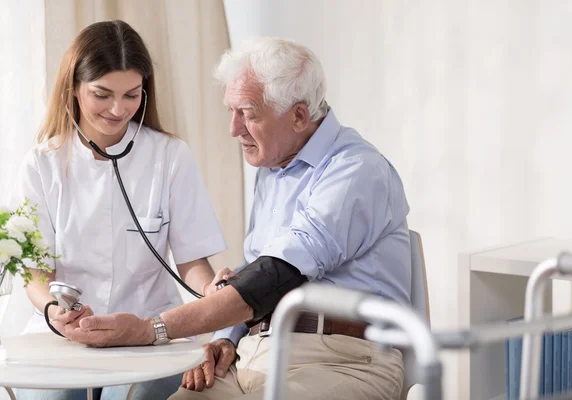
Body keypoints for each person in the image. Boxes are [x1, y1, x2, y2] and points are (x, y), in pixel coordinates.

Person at [56, 37, 411, 400]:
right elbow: (257, 271)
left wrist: (151, 329)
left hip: (341, 361)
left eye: (248, 113)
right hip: (256, 354)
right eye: (231, 111)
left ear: (299, 116)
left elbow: (274, 276)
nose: (234, 129)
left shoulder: (356, 171)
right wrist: (225, 337)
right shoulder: (274, 170)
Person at [13, 20, 227, 400]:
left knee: (130, 396)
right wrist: (52, 311)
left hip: (148, 332)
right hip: (63, 337)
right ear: (74, 88)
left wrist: (213, 290)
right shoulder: (42, 163)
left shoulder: (169, 156)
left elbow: (193, 263)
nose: (118, 109)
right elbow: (35, 272)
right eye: (102, 94)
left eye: (132, 95)